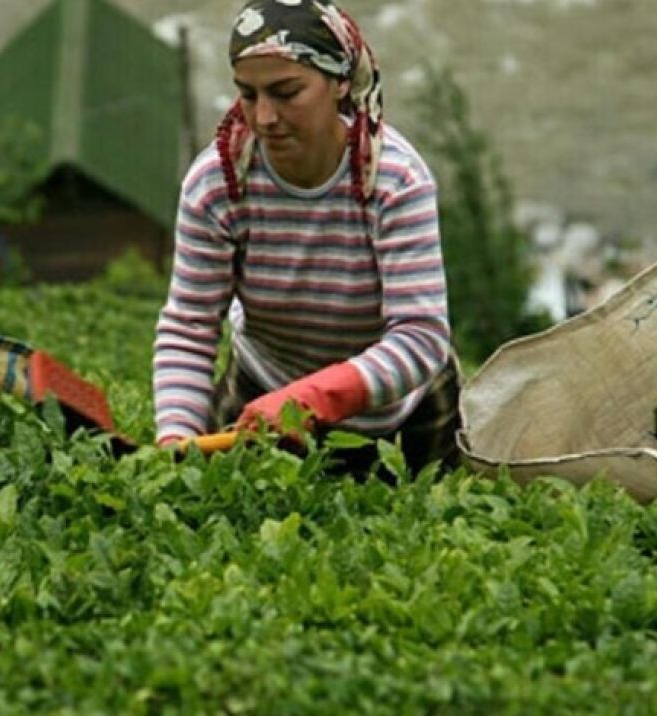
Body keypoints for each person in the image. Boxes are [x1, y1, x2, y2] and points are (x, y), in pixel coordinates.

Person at [153, 0, 460, 472]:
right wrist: (176, 434)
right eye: (249, 95)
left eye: (286, 92)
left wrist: (312, 399)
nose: (264, 118)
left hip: (399, 416)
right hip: (263, 393)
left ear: (339, 83)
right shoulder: (219, 183)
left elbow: (420, 339)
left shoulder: (395, 181)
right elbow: (190, 326)